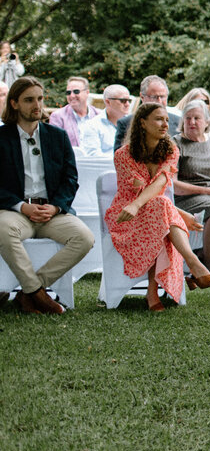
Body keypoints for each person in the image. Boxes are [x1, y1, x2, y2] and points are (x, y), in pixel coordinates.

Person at [105, 102, 210, 311]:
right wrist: (179, 214)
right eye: (159, 119)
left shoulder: (170, 150)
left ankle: (156, 288)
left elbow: (159, 186)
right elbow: (141, 193)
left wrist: (175, 212)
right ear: (142, 122)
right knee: (160, 211)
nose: (165, 124)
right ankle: (193, 263)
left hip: (155, 212)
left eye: (167, 120)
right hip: (126, 216)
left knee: (159, 212)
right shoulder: (123, 155)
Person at [0, 77, 93, 314]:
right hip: (16, 212)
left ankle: (30, 291)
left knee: (84, 238)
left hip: (52, 212)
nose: (37, 105)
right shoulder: (2, 138)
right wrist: (21, 207)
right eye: (29, 100)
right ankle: (36, 293)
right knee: (2, 229)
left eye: (40, 99)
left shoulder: (57, 136)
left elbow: (70, 180)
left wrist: (55, 207)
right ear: (14, 104)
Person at [172, 100, 210, 271]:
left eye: (197, 118)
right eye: (188, 118)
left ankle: (204, 254)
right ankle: (209, 262)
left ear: (207, 122)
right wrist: (207, 190)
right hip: (185, 198)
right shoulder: (176, 144)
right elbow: (173, 184)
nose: (192, 122)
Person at [115, 75, 179, 145]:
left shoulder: (178, 122)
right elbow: (119, 154)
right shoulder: (125, 123)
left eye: (162, 96)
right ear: (142, 97)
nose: (159, 101)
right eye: (154, 97)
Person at [79, 84, 131, 155]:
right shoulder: (92, 126)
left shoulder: (133, 123)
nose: (127, 104)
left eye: (129, 100)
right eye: (123, 101)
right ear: (108, 102)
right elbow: (94, 156)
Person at [48, 76, 100, 147]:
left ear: (87, 92)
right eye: (68, 92)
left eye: (76, 91)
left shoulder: (99, 115)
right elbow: (55, 144)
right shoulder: (58, 116)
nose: (72, 95)